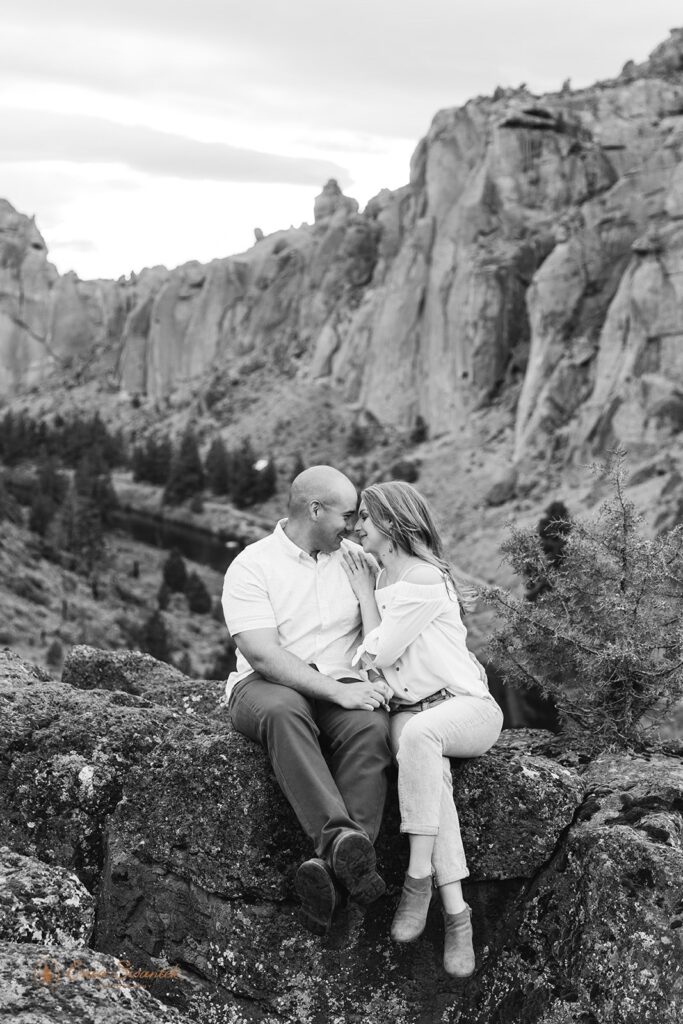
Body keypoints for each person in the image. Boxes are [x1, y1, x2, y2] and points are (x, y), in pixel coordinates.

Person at [221, 465, 394, 936]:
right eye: (348, 515)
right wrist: (340, 690)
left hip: (339, 687)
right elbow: (263, 654)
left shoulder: (359, 562)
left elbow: (387, 635)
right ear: (314, 510)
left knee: (372, 728)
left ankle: (334, 880)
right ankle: (341, 840)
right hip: (265, 688)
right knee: (285, 711)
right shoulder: (253, 565)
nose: (356, 526)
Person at [341, 480, 503, 978]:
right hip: (413, 714)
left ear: (390, 522)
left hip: (466, 709)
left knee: (418, 737)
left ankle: (416, 879)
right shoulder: (389, 575)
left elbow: (376, 655)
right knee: (435, 780)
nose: (357, 526)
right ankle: (458, 915)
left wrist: (366, 596)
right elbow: (374, 656)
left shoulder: (424, 579)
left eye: (365, 517)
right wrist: (369, 590)